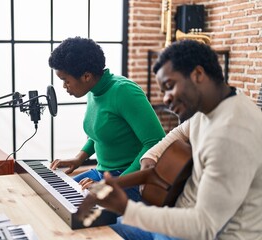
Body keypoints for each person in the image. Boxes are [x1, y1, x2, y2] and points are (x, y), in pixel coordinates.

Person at [77, 40, 262, 239]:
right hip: (180, 215)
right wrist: (151, 155)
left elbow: (203, 226)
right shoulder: (214, 106)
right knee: (92, 227)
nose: (165, 98)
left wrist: (125, 207)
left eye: (169, 86)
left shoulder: (232, 134)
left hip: (207, 232)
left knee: (100, 231)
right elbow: (178, 133)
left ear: (198, 75)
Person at [48, 36, 166, 202]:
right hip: (101, 172)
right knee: (55, 196)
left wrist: (116, 183)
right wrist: (79, 159)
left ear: (86, 76)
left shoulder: (124, 92)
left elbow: (156, 142)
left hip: (129, 177)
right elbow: (99, 133)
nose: (64, 86)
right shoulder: (93, 90)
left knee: (80, 215)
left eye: (66, 81)